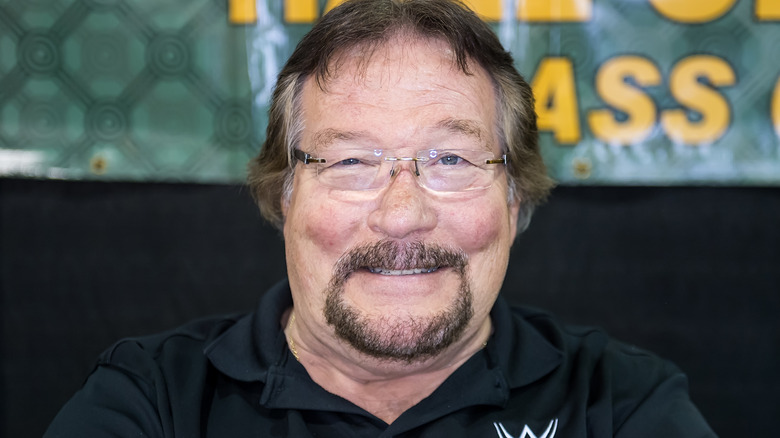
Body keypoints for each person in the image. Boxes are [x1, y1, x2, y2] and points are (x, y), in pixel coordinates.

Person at [46, 0, 716, 436]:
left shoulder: (624, 405)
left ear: (514, 202)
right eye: (350, 163)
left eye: (451, 159)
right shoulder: (153, 402)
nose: (402, 215)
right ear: (285, 197)